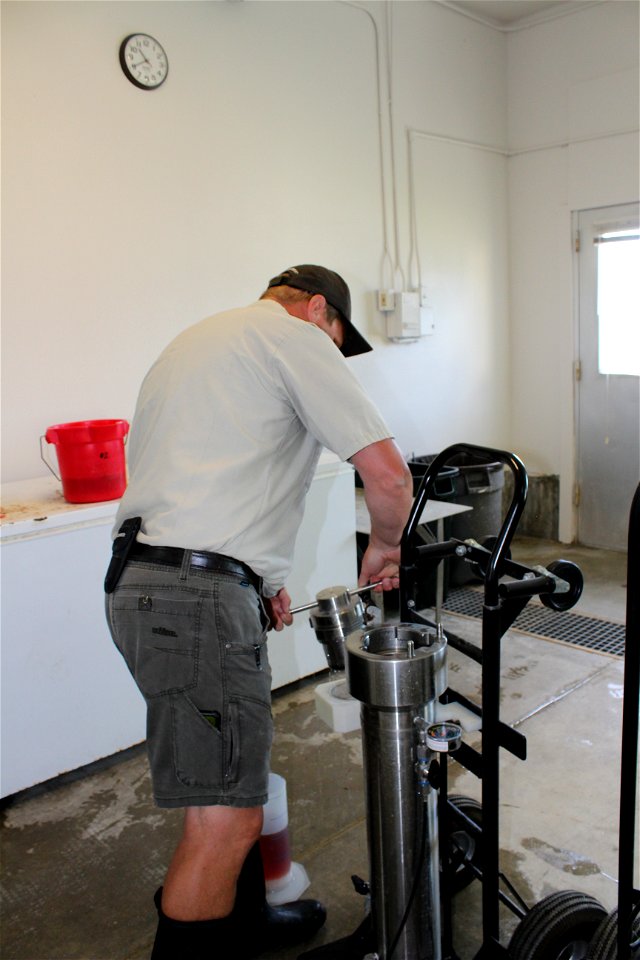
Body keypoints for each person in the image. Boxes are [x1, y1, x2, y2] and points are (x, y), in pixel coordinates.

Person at [104, 264, 413, 959]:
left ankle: (246, 926)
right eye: (338, 334)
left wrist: (256, 578)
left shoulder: (195, 343)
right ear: (317, 309)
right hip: (193, 602)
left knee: (230, 784)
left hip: (146, 583)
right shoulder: (295, 338)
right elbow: (389, 474)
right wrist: (385, 548)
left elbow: (205, 479)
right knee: (227, 821)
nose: (334, 348)